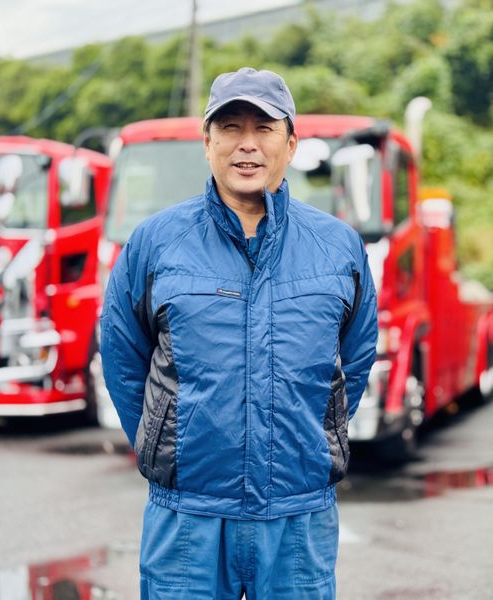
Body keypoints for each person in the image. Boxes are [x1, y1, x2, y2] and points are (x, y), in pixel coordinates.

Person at [100, 67, 378, 599]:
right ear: (207, 143)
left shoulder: (338, 247)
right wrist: (166, 441)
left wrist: (312, 435)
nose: (247, 144)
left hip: (298, 515)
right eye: (230, 127)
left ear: (291, 144)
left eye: (264, 128)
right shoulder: (156, 244)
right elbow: (123, 357)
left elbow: (356, 356)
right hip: (188, 517)